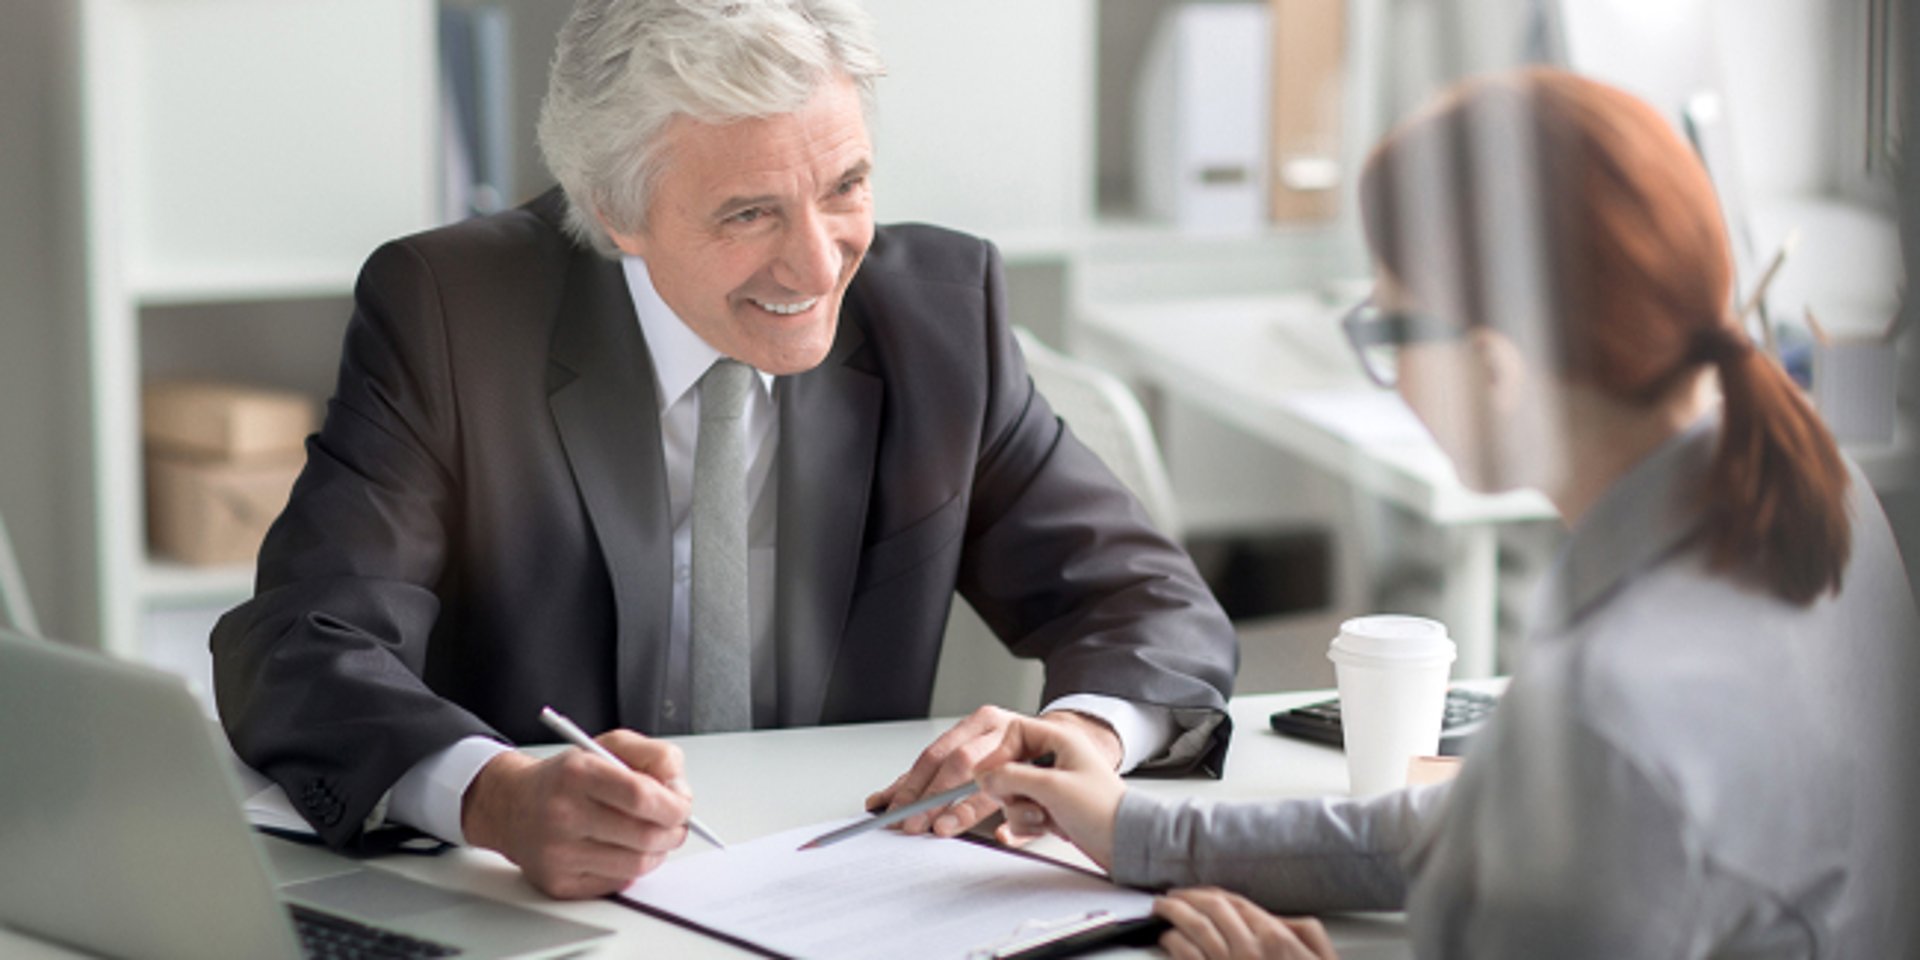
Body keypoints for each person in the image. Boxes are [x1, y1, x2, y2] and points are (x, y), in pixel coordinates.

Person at [211, 0, 1238, 899]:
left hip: (840, 889)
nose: (818, 258)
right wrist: (492, 795)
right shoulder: (453, 311)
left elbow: (1150, 604)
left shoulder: (938, 316)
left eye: (844, 186)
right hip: (541, 906)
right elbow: (301, 643)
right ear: (616, 211)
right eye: (750, 212)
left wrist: (1084, 736)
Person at [973, 67, 1920, 959]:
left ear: (1496, 366)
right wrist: (1136, 828)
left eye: (1389, 329)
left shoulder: (1611, 712)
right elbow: (1492, 831)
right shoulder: (1816, 489)